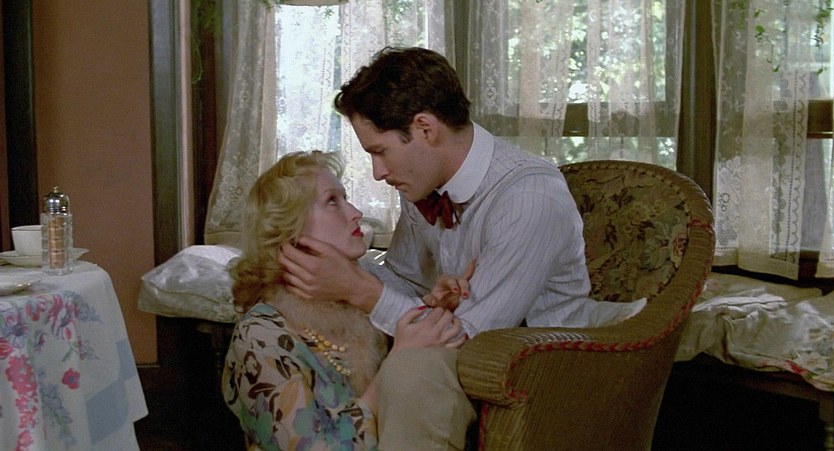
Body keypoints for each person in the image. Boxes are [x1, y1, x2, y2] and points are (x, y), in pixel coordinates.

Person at [279, 47, 646, 450]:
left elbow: (467, 338)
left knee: (410, 370)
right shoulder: (421, 182)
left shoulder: (529, 200)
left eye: (380, 152)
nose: (378, 173)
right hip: (465, 344)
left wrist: (359, 290)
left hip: (542, 367)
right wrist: (338, 267)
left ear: (425, 128)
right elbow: (405, 277)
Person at [222, 150, 469, 451]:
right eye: (332, 201)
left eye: (346, 198)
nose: (355, 212)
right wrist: (397, 363)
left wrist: (436, 310)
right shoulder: (260, 334)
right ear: (289, 230)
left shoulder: (362, 302)